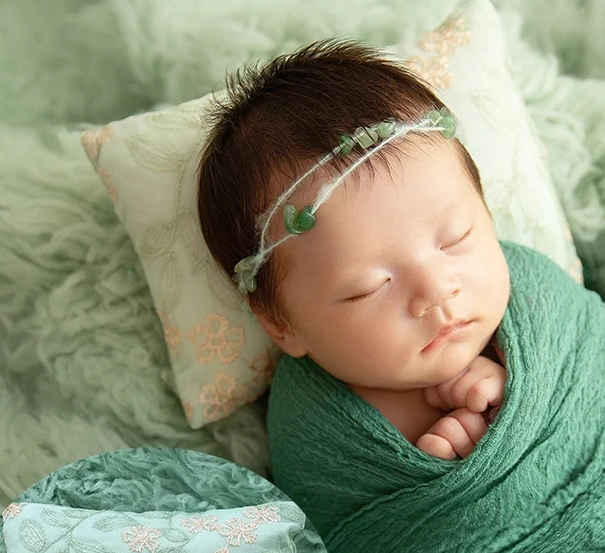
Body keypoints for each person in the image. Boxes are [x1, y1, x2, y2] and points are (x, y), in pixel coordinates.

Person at [196, 36, 508, 460]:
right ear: (280, 325)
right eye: (369, 286)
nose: (436, 289)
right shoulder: (318, 433)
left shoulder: (537, 313)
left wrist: (515, 395)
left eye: (456, 237)